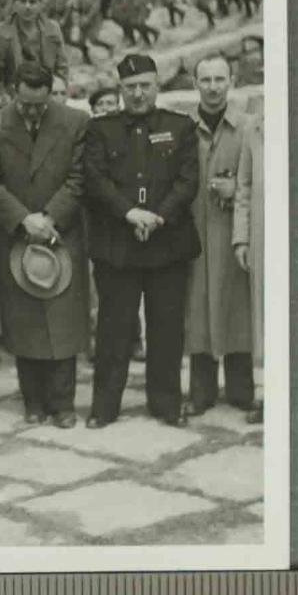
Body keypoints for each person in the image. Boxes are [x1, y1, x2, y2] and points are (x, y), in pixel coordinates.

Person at [84, 54, 200, 428]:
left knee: (166, 328)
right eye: (130, 87)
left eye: (144, 86)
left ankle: (165, 403)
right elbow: (95, 179)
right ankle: (105, 406)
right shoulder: (100, 129)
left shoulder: (180, 126)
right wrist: (130, 213)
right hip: (118, 245)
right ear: (120, 90)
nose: (137, 94)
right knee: (113, 329)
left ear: (156, 87)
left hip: (168, 244)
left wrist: (158, 216)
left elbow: (187, 181)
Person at [0, 62, 91, 428]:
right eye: (25, 104)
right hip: (16, 234)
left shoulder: (75, 122)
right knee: (23, 318)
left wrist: (51, 218)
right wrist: (25, 220)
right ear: (13, 91)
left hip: (62, 232)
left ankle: (63, 403)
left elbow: (78, 178)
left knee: (62, 319)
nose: (31, 111)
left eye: (39, 105)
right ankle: (33, 402)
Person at [183, 54, 254, 417]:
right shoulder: (183, 127)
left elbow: (258, 177)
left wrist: (235, 187)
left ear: (232, 81)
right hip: (194, 230)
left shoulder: (247, 127)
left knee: (236, 304)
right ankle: (201, 390)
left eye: (219, 79)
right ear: (195, 83)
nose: (212, 87)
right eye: (205, 80)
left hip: (231, 230)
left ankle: (241, 388)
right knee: (197, 307)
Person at [233, 108, 264, 424]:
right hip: (262, 236)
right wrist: (241, 239)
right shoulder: (255, 128)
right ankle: (268, 394)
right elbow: (243, 187)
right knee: (265, 316)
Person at [0, 0, 69, 90]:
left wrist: (59, 90)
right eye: (23, 1)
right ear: (14, 4)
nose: (27, 6)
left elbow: (62, 66)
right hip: (13, 92)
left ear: (40, 4)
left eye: (32, 2)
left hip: (46, 90)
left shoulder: (52, 28)